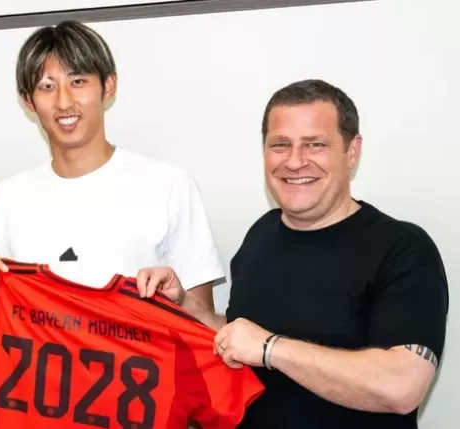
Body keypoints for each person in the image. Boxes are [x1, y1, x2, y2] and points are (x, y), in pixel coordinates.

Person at [179, 79, 449, 429]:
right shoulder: (261, 234)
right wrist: (186, 307)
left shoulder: (403, 249)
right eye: (280, 145)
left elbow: (401, 387)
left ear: (351, 151)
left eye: (315, 145)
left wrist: (271, 349)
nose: (294, 162)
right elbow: (241, 338)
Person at [0, 20, 225, 309]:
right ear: (29, 102)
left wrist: (181, 300)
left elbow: (202, 320)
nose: (64, 102)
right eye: (47, 86)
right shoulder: (9, 197)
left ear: (108, 86)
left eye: (77, 82)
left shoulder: (169, 186)